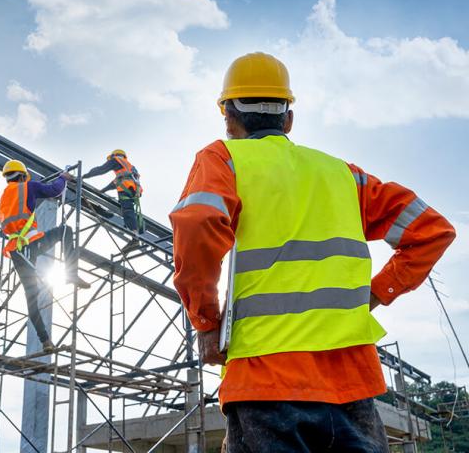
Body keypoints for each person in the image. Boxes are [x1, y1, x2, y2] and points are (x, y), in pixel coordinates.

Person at [169, 52, 456, 452]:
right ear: (288, 118)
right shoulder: (343, 174)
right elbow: (433, 230)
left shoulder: (222, 159)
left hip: (263, 378)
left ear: (229, 117)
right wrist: (375, 293)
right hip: (352, 382)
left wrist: (204, 322)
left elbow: (197, 222)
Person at [0, 159, 91, 351]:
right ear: (23, 175)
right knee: (66, 231)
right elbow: (54, 191)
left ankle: (45, 341)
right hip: (30, 243)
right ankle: (70, 273)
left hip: (16, 250)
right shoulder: (28, 187)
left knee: (30, 296)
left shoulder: (4, 197)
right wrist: (63, 177)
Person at [85, 149, 144, 249]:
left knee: (128, 211)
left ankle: (135, 237)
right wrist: (103, 190)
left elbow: (101, 169)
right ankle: (134, 235)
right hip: (134, 191)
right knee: (128, 210)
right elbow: (116, 182)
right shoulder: (129, 167)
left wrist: (84, 176)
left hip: (125, 189)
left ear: (114, 156)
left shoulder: (116, 160)